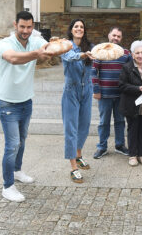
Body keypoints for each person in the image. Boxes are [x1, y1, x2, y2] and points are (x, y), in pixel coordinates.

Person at [0, 11, 53, 202]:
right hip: (7, 101)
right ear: (15, 25)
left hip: (26, 100)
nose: (26, 31)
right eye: (22, 27)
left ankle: (17, 170)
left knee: (22, 139)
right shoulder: (5, 43)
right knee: (12, 144)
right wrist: (37, 53)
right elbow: (13, 58)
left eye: (29, 27)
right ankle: (7, 186)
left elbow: (48, 49)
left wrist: (51, 46)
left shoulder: (34, 41)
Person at [61, 19, 95, 183]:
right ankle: (73, 167)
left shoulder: (90, 46)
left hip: (87, 89)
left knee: (85, 125)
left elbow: (101, 54)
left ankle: (79, 154)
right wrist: (83, 55)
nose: (79, 29)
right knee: (71, 128)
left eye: (82, 26)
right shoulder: (65, 46)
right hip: (71, 90)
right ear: (71, 29)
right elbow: (70, 57)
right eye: (76, 26)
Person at [92, 26, 131, 159]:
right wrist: (96, 90)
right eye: (114, 35)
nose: (116, 38)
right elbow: (93, 71)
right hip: (104, 95)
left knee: (120, 121)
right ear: (109, 35)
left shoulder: (125, 53)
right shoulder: (100, 51)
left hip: (121, 94)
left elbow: (131, 71)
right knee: (104, 122)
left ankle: (120, 145)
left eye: (118, 36)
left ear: (121, 39)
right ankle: (102, 147)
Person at [119, 41, 142, 166]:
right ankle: (132, 155)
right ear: (133, 55)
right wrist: (138, 88)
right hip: (132, 104)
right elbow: (122, 86)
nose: (140, 55)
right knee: (133, 129)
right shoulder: (127, 67)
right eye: (137, 53)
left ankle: (141, 154)